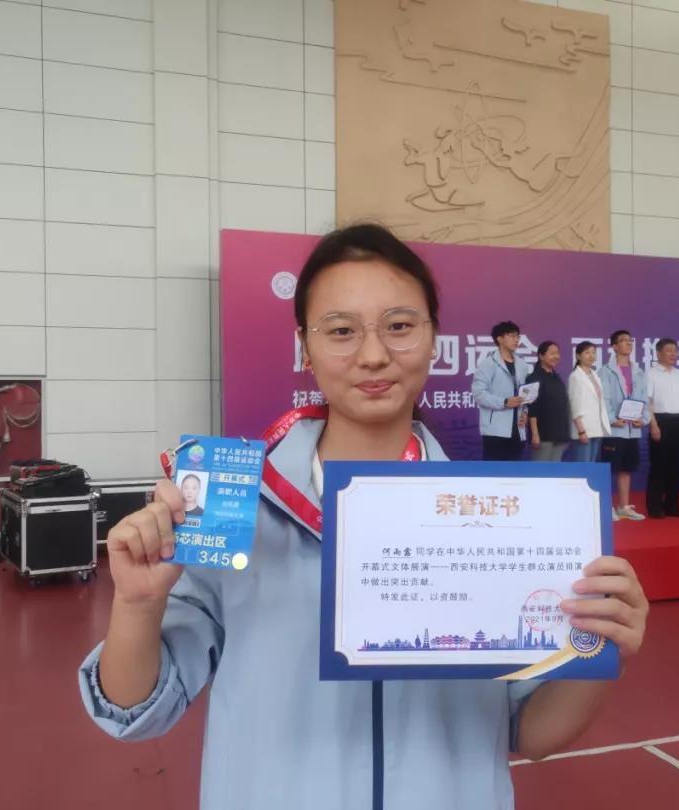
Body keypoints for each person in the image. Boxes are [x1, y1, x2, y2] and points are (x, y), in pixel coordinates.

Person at [77, 224, 648, 810]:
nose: (373, 355)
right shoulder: (234, 505)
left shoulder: (496, 519)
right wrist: (138, 605)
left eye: (399, 326)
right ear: (304, 345)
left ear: (434, 338)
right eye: (341, 331)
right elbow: (136, 708)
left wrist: (599, 648)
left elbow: (530, 731)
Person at [599, 330, 649, 521]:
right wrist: (612, 419)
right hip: (615, 428)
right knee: (610, 468)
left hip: (632, 429)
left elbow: (644, 398)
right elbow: (604, 399)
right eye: (623, 341)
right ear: (614, 346)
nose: (628, 344)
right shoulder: (606, 371)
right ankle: (607, 506)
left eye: (630, 340)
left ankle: (624, 506)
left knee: (626, 468)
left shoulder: (638, 371)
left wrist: (643, 418)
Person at [645, 338, 679, 518]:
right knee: (659, 466)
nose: (673, 354)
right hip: (661, 421)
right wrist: (654, 425)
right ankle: (655, 507)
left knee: (677, 466)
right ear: (658, 353)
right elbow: (648, 401)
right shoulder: (651, 374)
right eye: (669, 350)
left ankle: (672, 506)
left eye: (675, 350)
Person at [472, 321, 529, 460]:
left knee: (514, 471)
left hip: (517, 430)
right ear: (500, 339)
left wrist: (525, 413)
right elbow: (479, 394)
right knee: (493, 470)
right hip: (495, 431)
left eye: (517, 336)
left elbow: (524, 393)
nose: (516, 340)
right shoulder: (488, 363)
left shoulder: (522, 364)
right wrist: (504, 402)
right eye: (512, 336)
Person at [525, 340, 571, 461]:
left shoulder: (557, 377)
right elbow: (532, 409)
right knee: (541, 470)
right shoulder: (533, 378)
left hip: (560, 435)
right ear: (541, 356)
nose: (556, 356)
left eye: (557, 353)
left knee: (555, 470)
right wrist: (535, 434)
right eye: (552, 353)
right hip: (543, 436)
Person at [567, 341, 611, 462]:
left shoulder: (595, 375)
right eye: (587, 353)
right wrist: (581, 431)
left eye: (593, 352)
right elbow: (574, 405)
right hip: (583, 428)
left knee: (592, 465)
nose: (591, 356)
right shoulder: (575, 376)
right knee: (583, 466)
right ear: (578, 356)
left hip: (596, 427)